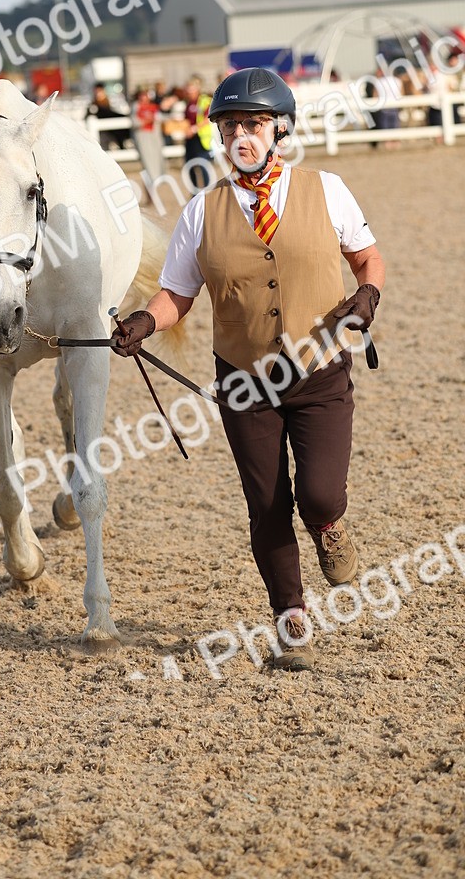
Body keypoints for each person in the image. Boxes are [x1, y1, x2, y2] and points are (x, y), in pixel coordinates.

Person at [111, 67, 386, 672]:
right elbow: (177, 295)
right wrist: (141, 323)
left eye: (253, 123)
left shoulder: (327, 189)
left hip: (319, 370)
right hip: (243, 379)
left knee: (318, 494)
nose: (241, 134)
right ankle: (291, 619)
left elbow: (367, 260)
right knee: (266, 505)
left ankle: (329, 525)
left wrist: (366, 297)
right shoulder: (200, 213)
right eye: (230, 124)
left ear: (279, 129)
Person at [182, 77, 214, 188]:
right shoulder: (188, 104)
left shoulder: (205, 101)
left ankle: (207, 191)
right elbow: (187, 120)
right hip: (190, 140)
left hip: (202, 140)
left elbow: (208, 117)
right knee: (190, 166)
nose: (188, 92)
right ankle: (194, 192)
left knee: (203, 167)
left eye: (191, 89)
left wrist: (194, 128)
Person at [84, 84, 129, 150]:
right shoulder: (93, 105)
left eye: (100, 91)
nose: (98, 94)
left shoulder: (108, 102)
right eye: (97, 91)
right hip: (103, 131)